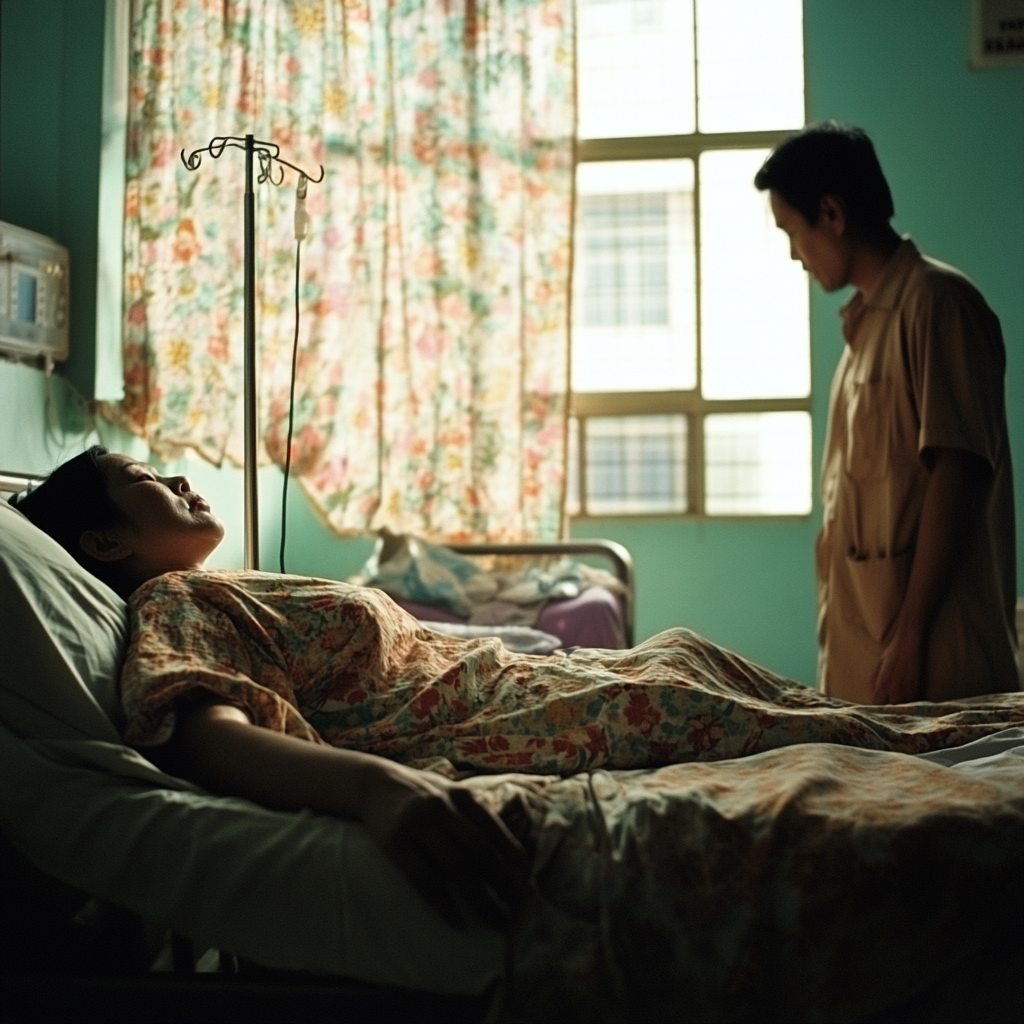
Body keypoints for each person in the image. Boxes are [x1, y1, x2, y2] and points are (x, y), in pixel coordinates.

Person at [13, 447, 1021, 926]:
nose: (182, 479)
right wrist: (374, 786)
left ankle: (978, 737)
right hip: (524, 717)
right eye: (147, 478)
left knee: (837, 717)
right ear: (105, 540)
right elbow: (198, 732)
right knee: (860, 735)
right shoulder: (175, 606)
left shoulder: (220, 589)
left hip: (550, 681)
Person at [754, 122, 1019, 705]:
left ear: (832, 213)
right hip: (871, 662)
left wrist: (910, 635)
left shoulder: (937, 304)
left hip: (937, 663)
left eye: (792, 232)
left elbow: (961, 470)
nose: (794, 254)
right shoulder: (861, 337)